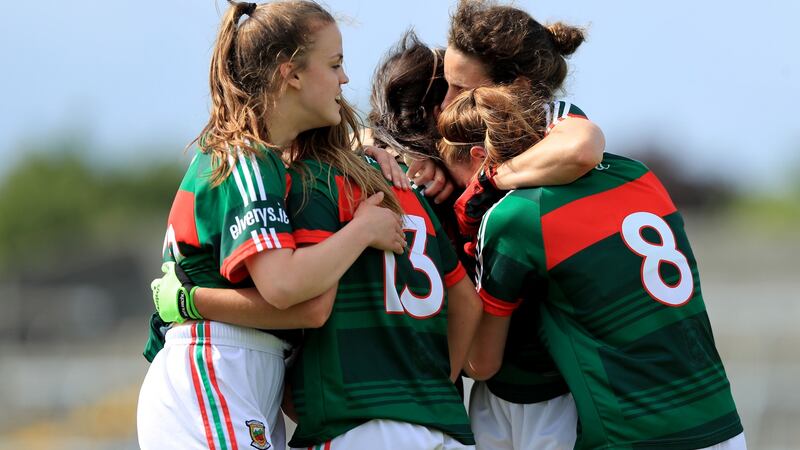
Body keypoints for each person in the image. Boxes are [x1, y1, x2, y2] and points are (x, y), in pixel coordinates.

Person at [137, 2, 408, 450]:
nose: (345, 79)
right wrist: (362, 230)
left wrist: (366, 148)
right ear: (292, 74)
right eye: (335, 64)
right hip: (214, 367)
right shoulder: (245, 157)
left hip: (242, 371)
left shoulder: (263, 157)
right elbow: (288, 290)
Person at [438, 84, 746, 450]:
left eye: (457, 179)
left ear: (477, 157)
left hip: (636, 433)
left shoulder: (514, 216)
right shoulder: (635, 172)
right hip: (722, 422)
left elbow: (481, 363)